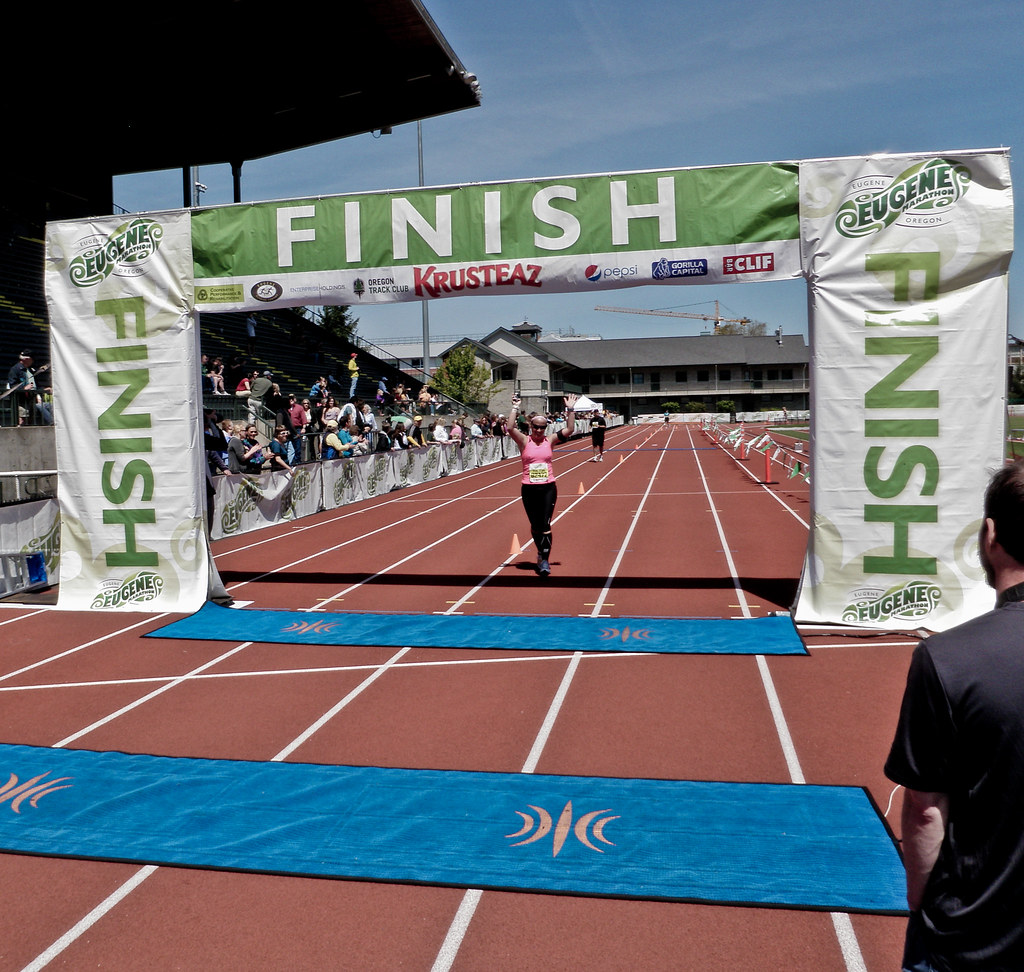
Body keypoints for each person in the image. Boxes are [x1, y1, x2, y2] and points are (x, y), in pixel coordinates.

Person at [885, 459, 1024, 971]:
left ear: (990, 535)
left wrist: (920, 906)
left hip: (971, 940)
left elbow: (926, 809)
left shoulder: (947, 659)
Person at [506, 393, 577, 576]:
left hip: (548, 488)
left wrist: (570, 409)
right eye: (536, 427)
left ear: (546, 428)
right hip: (529, 488)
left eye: (542, 427)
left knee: (545, 525)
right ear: (531, 427)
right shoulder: (524, 441)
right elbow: (510, 427)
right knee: (535, 525)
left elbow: (570, 429)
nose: (538, 430)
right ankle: (540, 552)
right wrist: (515, 407)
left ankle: (544, 560)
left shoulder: (550, 440)